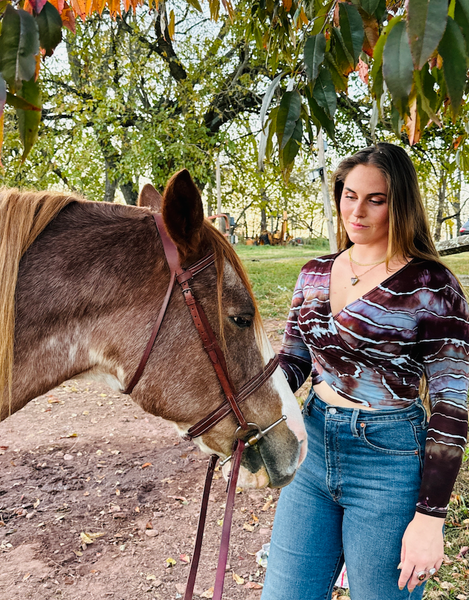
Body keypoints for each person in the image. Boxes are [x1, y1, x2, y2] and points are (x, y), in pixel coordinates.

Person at [261, 143, 469, 600]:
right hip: (312, 448)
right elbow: (294, 361)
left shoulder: (432, 285)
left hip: (388, 460)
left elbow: (454, 405)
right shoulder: (314, 272)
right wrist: (244, 402)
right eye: (349, 195)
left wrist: (430, 518)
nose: (357, 210)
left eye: (375, 199)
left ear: (401, 204)